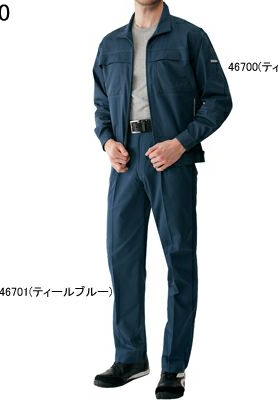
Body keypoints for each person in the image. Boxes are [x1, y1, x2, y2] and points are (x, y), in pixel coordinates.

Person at [92, 1, 232, 398]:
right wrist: (107, 142)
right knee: (122, 259)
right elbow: (101, 105)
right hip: (125, 161)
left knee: (179, 259)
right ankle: (130, 357)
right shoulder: (110, 45)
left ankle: (174, 367)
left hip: (170, 158)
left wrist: (181, 143)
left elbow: (219, 99)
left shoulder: (190, 37)